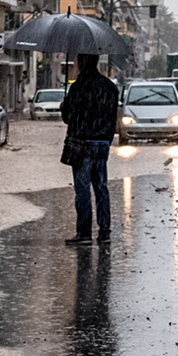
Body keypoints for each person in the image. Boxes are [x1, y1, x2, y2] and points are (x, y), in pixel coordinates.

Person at [60, 53, 118, 246]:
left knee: (83, 189)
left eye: (76, 61)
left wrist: (64, 107)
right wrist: (105, 140)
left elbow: (68, 118)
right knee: (101, 188)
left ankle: (84, 232)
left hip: (82, 145)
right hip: (102, 144)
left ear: (82, 62)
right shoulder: (110, 87)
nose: (74, 64)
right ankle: (104, 232)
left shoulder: (77, 87)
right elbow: (112, 119)